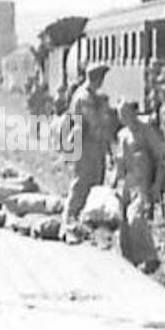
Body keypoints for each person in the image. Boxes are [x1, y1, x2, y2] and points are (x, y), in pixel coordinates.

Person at [61, 62, 114, 238]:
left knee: (94, 181)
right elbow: (95, 124)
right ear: (96, 78)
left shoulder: (91, 96)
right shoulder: (84, 98)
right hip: (84, 144)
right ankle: (69, 218)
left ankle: (84, 218)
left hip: (91, 145)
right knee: (82, 182)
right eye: (102, 78)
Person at [112, 99, 164, 273]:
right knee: (122, 222)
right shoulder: (122, 135)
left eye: (126, 114)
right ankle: (129, 260)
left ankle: (150, 257)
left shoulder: (146, 131)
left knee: (136, 217)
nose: (124, 118)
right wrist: (113, 184)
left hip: (143, 183)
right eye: (121, 115)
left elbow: (160, 158)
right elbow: (119, 163)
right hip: (127, 182)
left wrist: (157, 185)